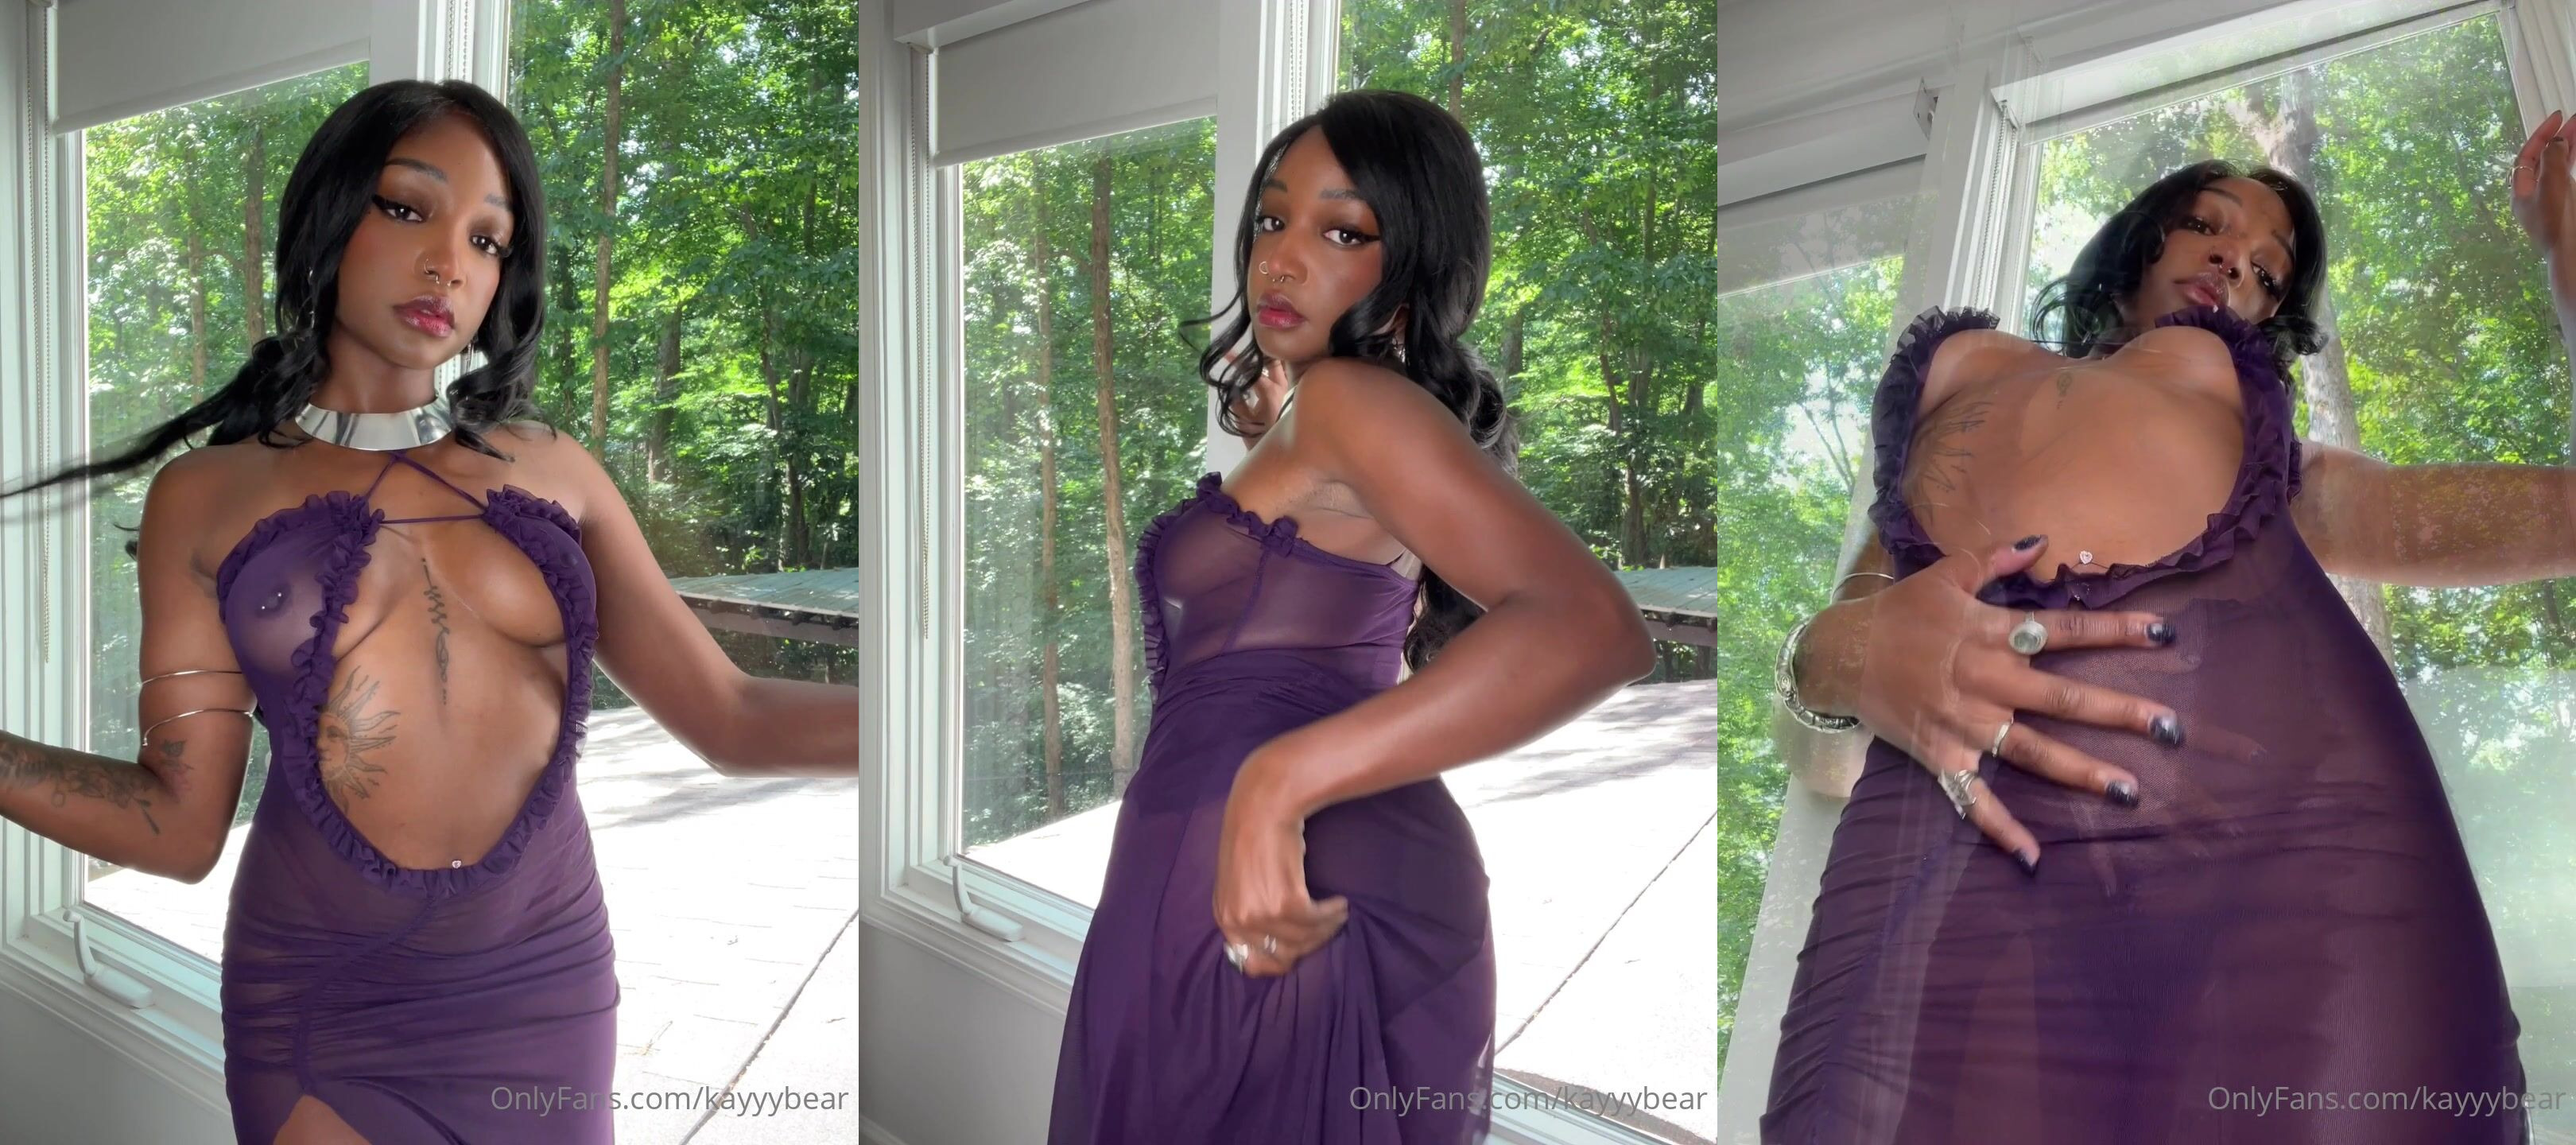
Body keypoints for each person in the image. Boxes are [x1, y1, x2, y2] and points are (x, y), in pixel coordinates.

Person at [0, 80, 859, 1144]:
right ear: (329, 216)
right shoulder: (207, 495)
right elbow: (176, 828)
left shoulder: (555, 469)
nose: (450, 263)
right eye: (407, 208)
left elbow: (733, 718)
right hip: (326, 1006)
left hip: (549, 987)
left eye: (487, 240)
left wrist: (922, 724)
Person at [1752, 112, 2576, 1141]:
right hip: (1960, 870)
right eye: (2208, 224)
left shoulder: (2277, 464)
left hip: (2310, 875)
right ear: (2142, 239)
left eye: (2270, 272)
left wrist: (2566, 254)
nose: (2237, 260)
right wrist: (1834, 653)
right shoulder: (1951, 414)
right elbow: (1821, 762)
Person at [1045, 89, 1656, 1144]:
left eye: (1341, 232)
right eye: (1272, 218)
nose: (1280, 259)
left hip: (1297, 883)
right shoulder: (1326, 409)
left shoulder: (1351, 407)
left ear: (1411, 259)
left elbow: (1595, 628)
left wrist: (1277, 785)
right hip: (1243, 865)